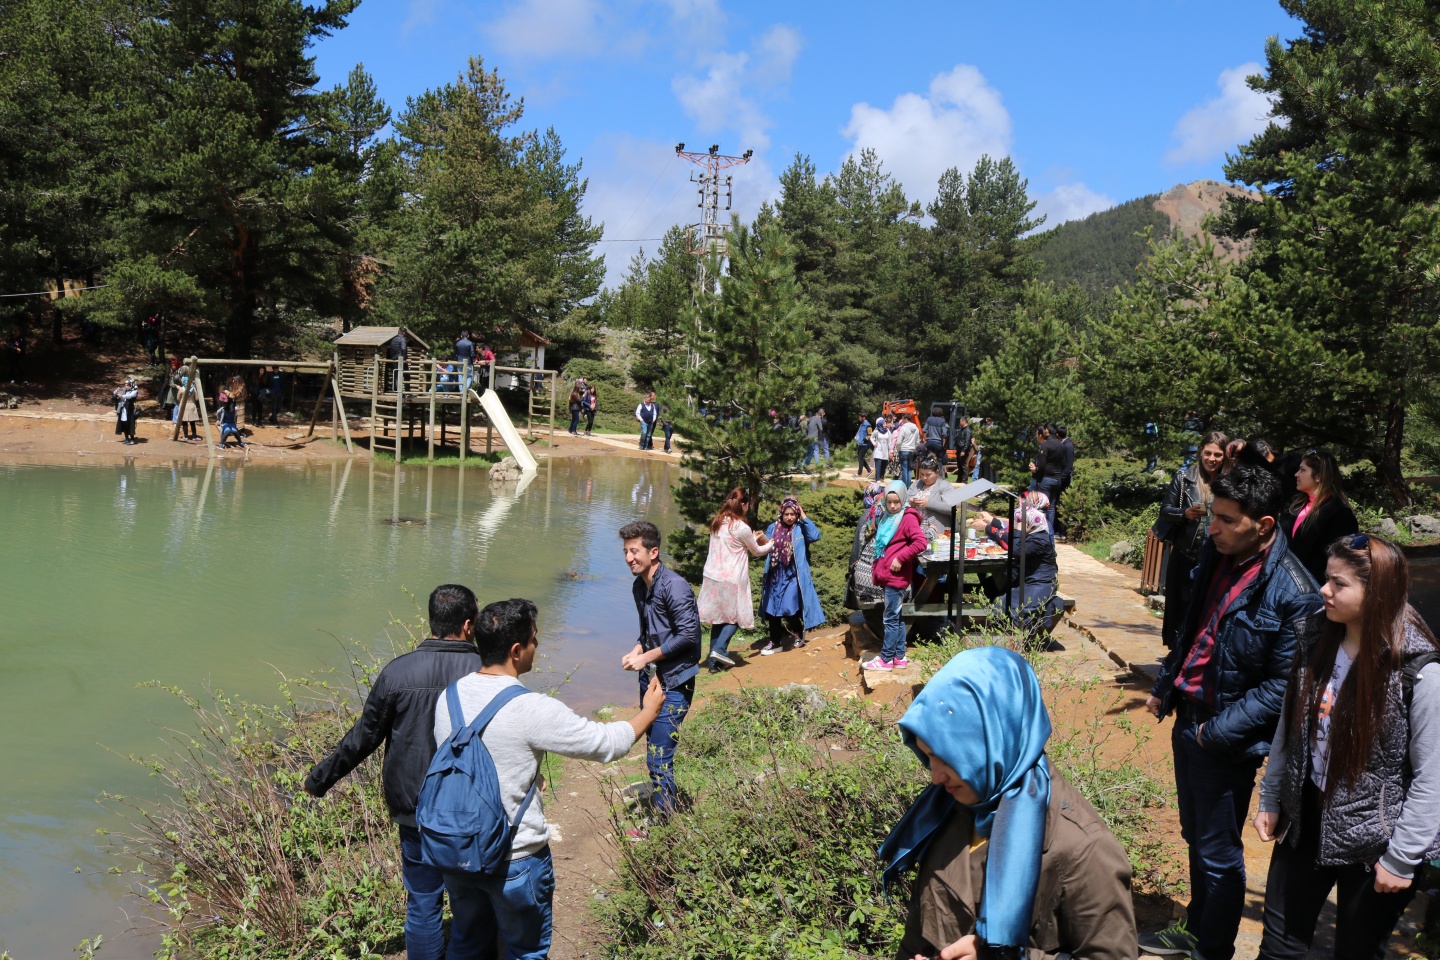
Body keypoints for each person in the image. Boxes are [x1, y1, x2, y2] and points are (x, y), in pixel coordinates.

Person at [1140, 466, 1324, 960]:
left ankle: (1212, 948)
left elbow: (1283, 687)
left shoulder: (1295, 591)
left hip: (1225, 735)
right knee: (1195, 835)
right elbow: (1197, 627)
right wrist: (1167, 685)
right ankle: (1198, 928)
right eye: (1214, 516)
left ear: (1263, 525)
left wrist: (1213, 732)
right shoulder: (1218, 551)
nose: (1212, 526)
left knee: (1218, 853)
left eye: (1225, 519)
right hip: (1191, 715)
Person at [435, 598, 665, 959]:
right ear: (515, 650)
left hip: (457, 852)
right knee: (524, 952)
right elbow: (606, 744)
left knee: (466, 944)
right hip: (515, 857)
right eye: (533, 641)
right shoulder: (530, 707)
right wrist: (647, 713)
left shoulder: (449, 698)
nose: (536, 649)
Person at [883, 646, 1138, 960]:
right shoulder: (948, 808)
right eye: (927, 755)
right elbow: (920, 929)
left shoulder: (1083, 848)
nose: (935, 777)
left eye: (944, 756)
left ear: (992, 739)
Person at [1253, 535, 1440, 959]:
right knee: (1278, 948)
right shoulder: (1316, 636)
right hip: (1305, 818)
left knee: (1356, 952)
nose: (1324, 591)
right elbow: (1291, 726)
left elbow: (1433, 776)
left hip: (1376, 840)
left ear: (1377, 593)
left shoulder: (1419, 672)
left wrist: (1402, 858)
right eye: (1326, 580)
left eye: (1339, 584)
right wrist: (1271, 795)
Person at [304, 585, 487, 960]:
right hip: (471, 807)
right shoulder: (487, 671)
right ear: (469, 625)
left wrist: (320, 779)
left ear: (431, 621)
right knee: (471, 901)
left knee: (423, 902)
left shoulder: (398, 671)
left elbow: (363, 738)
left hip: (413, 804)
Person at [620, 520, 700, 818]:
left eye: (635, 551)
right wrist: (637, 650)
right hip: (652, 679)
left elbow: (688, 636)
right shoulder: (639, 586)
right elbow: (650, 633)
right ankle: (664, 813)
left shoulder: (675, 586)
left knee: (659, 757)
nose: (629, 558)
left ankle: (664, 824)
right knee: (653, 750)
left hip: (676, 680)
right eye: (626, 551)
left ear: (653, 552)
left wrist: (647, 657)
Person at [1155, 431, 1229, 649]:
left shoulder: (1228, 482)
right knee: (1181, 609)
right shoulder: (1184, 478)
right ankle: (1177, 654)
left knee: (1209, 609)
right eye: (1208, 453)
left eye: (1218, 455)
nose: (1212, 459)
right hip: (1186, 554)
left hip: (1218, 555)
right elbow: (1165, 510)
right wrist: (1184, 513)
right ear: (1200, 452)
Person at [969, 490, 1064, 643]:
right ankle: (1009, 637)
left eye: (1021, 521)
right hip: (1027, 579)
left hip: (1040, 582)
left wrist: (1018, 530)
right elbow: (1012, 539)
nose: (1018, 525)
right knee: (995, 595)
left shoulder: (1039, 539)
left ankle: (1022, 640)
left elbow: (1017, 549)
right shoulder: (1034, 533)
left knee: (1010, 606)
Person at [696, 488, 773, 673]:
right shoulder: (742, 527)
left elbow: (734, 544)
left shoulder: (718, 522)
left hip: (713, 576)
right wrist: (771, 544)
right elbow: (757, 551)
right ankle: (719, 650)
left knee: (719, 619)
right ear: (744, 504)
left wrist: (750, 540)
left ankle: (714, 665)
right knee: (735, 618)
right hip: (731, 578)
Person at [862, 479, 926, 672]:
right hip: (888, 574)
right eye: (889, 502)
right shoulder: (888, 517)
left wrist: (900, 558)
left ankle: (886, 659)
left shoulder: (907, 518)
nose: (892, 506)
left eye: (896, 502)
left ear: (903, 499)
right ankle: (899, 656)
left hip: (896, 577)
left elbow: (920, 542)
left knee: (889, 619)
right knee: (896, 618)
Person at [759, 497, 825, 655]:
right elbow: (765, 547)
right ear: (781, 513)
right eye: (786, 514)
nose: (789, 517)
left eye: (793, 514)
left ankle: (798, 632)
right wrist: (761, 542)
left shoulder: (801, 528)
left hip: (793, 576)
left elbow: (815, 536)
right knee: (772, 609)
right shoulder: (772, 527)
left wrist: (803, 515)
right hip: (775, 575)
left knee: (789, 607)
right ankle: (775, 641)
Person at [1282, 450, 1358, 586]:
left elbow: (1340, 561)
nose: (1296, 474)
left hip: (1315, 593)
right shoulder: (1296, 504)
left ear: (1318, 476)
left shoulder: (1339, 514)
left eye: (1302, 470)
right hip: (1287, 587)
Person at [906, 453, 957, 542]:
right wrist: (910, 502)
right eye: (922, 474)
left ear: (937, 472)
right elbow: (904, 500)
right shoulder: (916, 484)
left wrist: (929, 503)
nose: (924, 478)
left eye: (928, 475)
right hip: (915, 530)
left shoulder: (945, 486)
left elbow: (951, 507)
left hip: (936, 530)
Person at [1028, 426, 1066, 531]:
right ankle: (1051, 533)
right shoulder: (1061, 445)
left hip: (1047, 479)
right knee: (1052, 507)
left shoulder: (1045, 445)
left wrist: (1036, 470)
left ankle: (1044, 532)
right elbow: (1063, 463)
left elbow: (1042, 465)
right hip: (1057, 479)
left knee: (1043, 507)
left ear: (1047, 431)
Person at [895, 415, 922, 487]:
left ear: (906, 419)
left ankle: (904, 486)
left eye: (903, 419)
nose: (902, 420)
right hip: (911, 450)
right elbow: (918, 442)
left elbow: (899, 441)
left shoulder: (903, 428)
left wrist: (898, 449)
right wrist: (913, 447)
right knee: (909, 469)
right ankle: (909, 486)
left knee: (904, 469)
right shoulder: (916, 428)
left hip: (903, 449)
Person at [113, 378, 139, 445]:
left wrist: (122, 396)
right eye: (125, 385)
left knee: (130, 424)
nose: (126, 386)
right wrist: (117, 390)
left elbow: (129, 396)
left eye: (128, 385)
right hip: (123, 409)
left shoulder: (134, 391)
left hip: (129, 410)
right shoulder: (125, 390)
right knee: (123, 423)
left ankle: (132, 439)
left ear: (131, 385)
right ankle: (126, 438)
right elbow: (115, 393)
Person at [923, 405, 948, 472]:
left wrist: (925, 440)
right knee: (939, 459)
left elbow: (924, 430)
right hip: (938, 442)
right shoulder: (942, 421)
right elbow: (944, 434)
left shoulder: (929, 419)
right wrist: (943, 444)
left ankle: (928, 472)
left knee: (929, 458)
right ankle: (938, 474)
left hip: (930, 441)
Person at [871, 415, 892, 482]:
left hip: (885, 450)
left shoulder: (888, 431)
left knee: (884, 464)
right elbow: (871, 437)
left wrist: (890, 451)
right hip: (878, 450)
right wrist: (874, 443)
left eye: (886, 424)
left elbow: (890, 441)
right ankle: (877, 478)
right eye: (884, 424)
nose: (885, 425)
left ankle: (882, 477)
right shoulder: (877, 431)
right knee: (878, 464)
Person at [388, 329, 408, 394]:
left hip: (394, 359)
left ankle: (395, 390)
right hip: (400, 359)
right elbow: (403, 348)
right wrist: (405, 358)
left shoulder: (393, 339)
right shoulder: (402, 339)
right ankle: (407, 391)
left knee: (395, 374)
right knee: (407, 375)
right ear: (403, 333)